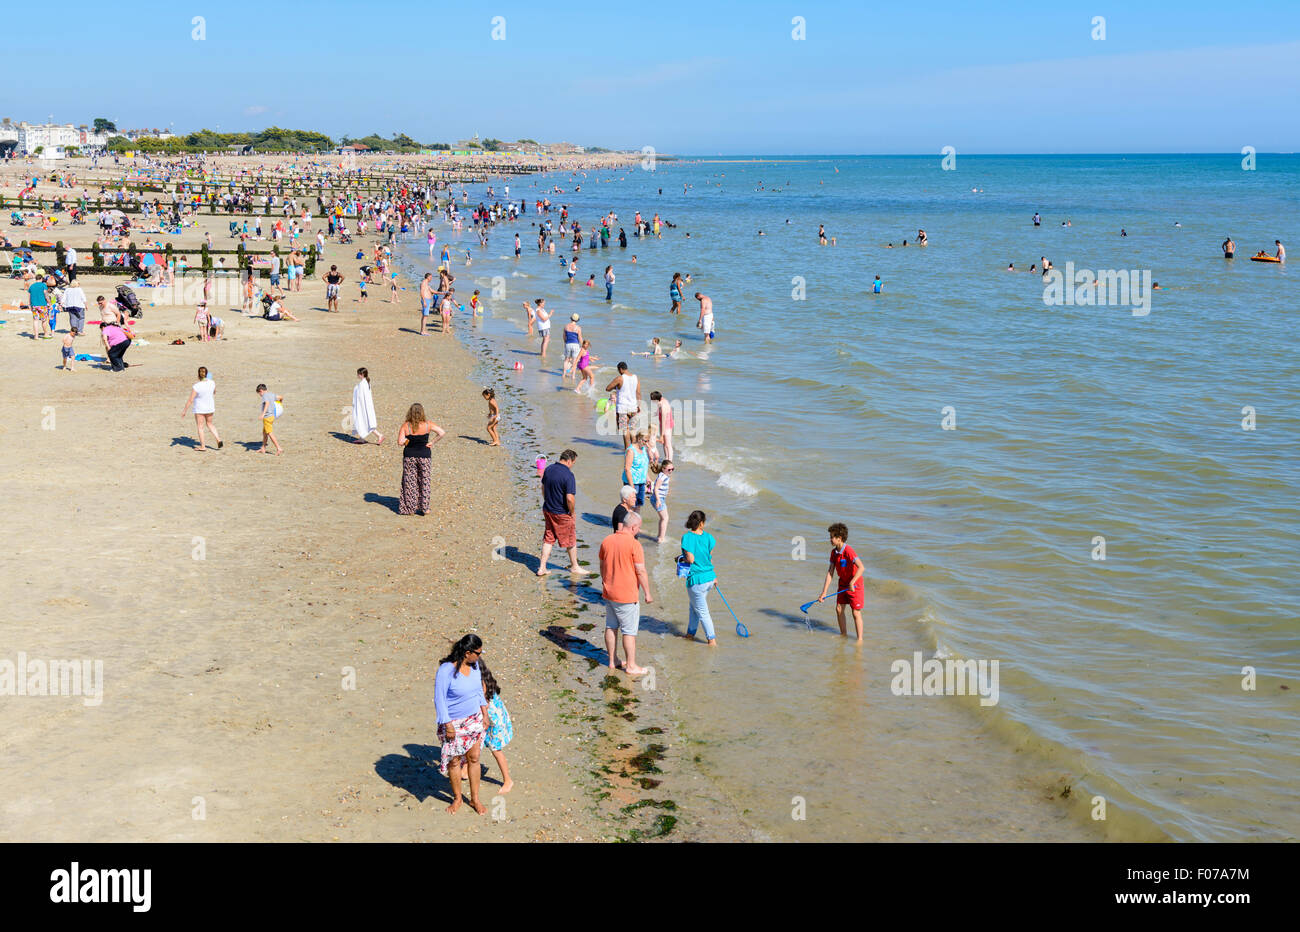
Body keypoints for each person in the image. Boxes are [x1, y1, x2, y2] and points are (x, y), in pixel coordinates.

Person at [434, 634, 490, 815]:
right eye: (478, 653)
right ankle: (458, 798)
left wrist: (485, 714)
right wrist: (448, 725)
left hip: (474, 719)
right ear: (467, 652)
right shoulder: (446, 670)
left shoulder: (474, 667)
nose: (480, 657)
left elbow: (479, 693)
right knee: (455, 761)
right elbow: (439, 699)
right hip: (454, 722)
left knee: (474, 758)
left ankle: (475, 799)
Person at [598, 511, 653, 675]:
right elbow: (641, 571)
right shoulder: (634, 545)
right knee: (629, 631)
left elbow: (602, 565)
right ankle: (631, 665)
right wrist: (647, 593)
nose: (639, 531)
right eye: (639, 528)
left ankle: (612, 660)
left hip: (609, 592)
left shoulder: (607, 540)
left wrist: (605, 581)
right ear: (633, 527)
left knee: (611, 626)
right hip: (627, 595)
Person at [537, 449, 588, 576]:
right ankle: (575, 566)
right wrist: (572, 512)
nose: (572, 466)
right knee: (570, 539)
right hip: (561, 513)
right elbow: (570, 498)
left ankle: (542, 567)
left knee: (548, 538)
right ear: (569, 460)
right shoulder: (568, 475)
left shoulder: (548, 469)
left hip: (548, 509)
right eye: (573, 463)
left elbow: (542, 487)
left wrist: (547, 500)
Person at [816, 522, 865, 641]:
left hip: (855, 585)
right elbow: (830, 573)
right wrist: (824, 592)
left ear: (840, 538)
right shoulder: (833, 553)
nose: (830, 539)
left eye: (832, 537)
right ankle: (844, 635)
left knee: (855, 613)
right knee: (839, 609)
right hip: (843, 584)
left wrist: (852, 582)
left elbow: (861, 567)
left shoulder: (848, 551)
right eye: (830, 537)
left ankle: (859, 640)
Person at [397, 403, 444, 516]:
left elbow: (400, 442)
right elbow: (442, 433)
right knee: (425, 481)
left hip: (409, 455)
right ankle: (425, 508)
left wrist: (407, 441)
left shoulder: (406, 426)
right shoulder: (428, 425)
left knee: (409, 481)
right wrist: (432, 442)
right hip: (424, 455)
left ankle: (410, 508)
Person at [679, 509, 716, 644]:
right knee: (694, 607)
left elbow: (691, 559)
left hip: (697, 580)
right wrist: (715, 576)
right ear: (701, 523)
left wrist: (680, 558)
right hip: (710, 578)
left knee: (702, 611)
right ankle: (690, 634)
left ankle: (712, 641)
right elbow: (708, 558)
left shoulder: (687, 537)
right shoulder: (709, 537)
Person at [478, 659, 514, 794]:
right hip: (496, 716)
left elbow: (485, 703)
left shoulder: (480, 683)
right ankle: (466, 768)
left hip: (493, 720)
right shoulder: (486, 678)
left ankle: (508, 780)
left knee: (495, 749)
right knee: (476, 743)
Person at [181, 366, 223, 451]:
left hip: (200, 408)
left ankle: (203, 446)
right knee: (210, 424)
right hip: (210, 407)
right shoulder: (212, 382)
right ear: (206, 374)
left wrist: (184, 410)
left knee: (200, 427)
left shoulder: (196, 386)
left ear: (198, 375)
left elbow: (190, 400)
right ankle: (218, 439)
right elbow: (214, 392)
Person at [605, 362, 641, 449]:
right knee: (632, 429)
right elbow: (638, 393)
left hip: (622, 409)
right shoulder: (636, 378)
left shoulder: (620, 378)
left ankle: (627, 449)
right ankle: (635, 449)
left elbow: (607, 388)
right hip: (633, 407)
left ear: (620, 369)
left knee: (625, 430)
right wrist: (639, 405)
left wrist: (616, 387)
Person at [351, 367, 384, 444]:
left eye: (358, 374)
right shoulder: (364, 382)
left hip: (363, 407)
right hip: (362, 406)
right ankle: (362, 438)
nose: (357, 375)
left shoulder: (363, 384)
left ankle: (379, 435)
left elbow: (364, 397)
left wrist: (362, 407)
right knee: (361, 421)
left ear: (362, 374)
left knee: (366, 422)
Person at [622, 432, 651, 510]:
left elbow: (643, 465)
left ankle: (636, 521)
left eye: (648, 441)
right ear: (639, 439)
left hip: (642, 482)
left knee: (639, 505)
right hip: (632, 482)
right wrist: (632, 486)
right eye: (645, 441)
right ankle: (626, 521)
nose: (646, 443)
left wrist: (647, 478)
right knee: (630, 505)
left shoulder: (643, 449)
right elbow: (627, 469)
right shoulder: (631, 450)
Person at [648, 459, 673, 542]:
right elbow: (656, 488)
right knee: (665, 518)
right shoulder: (662, 476)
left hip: (658, 498)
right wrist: (658, 500)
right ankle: (661, 538)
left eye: (672, 469)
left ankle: (659, 536)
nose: (671, 471)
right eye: (669, 469)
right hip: (658, 499)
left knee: (663, 518)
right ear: (663, 468)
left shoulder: (663, 475)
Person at [257, 383, 283, 454]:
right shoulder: (271, 394)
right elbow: (281, 397)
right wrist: (280, 404)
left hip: (267, 417)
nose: (260, 395)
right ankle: (263, 448)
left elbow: (267, 403)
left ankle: (278, 448)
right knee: (264, 433)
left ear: (261, 391)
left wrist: (263, 414)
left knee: (269, 433)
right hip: (272, 416)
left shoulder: (265, 396)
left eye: (259, 393)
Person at [649, 390, 674, 461]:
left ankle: (670, 461)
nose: (652, 402)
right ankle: (666, 458)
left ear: (657, 399)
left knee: (668, 444)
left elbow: (663, 422)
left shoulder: (663, 407)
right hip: (663, 424)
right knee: (664, 443)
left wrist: (661, 436)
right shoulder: (662, 400)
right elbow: (659, 407)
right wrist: (657, 413)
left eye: (653, 400)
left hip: (667, 425)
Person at [561, 313, 583, 381]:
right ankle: (573, 375)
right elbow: (580, 338)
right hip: (575, 345)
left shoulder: (566, 326)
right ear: (577, 320)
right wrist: (583, 346)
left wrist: (565, 343)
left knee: (566, 360)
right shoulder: (578, 328)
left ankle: (564, 374)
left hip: (568, 344)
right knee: (574, 361)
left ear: (571, 318)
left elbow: (564, 336)